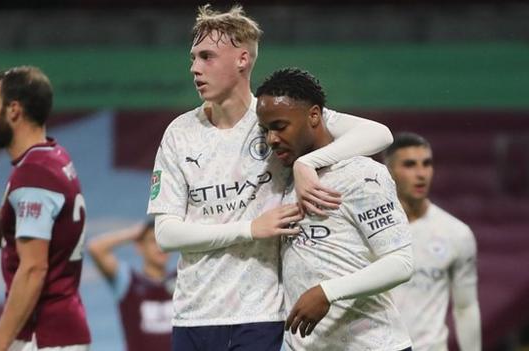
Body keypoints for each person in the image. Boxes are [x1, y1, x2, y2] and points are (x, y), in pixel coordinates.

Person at [148, 5, 394, 350]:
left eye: (207, 57)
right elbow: (167, 233)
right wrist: (249, 229)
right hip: (191, 314)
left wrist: (306, 165)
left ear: (242, 59)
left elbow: (379, 134)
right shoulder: (180, 132)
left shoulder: (275, 116)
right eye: (193, 58)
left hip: (260, 313)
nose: (194, 68)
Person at [255, 67, 414, 351]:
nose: (271, 139)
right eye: (266, 131)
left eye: (280, 127)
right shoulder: (286, 179)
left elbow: (400, 262)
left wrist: (328, 292)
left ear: (314, 116)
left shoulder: (363, 174)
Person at [0, 66, 90, 351]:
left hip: (44, 335)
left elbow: (33, 268)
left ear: (13, 110)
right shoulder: (53, 157)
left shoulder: (34, 175)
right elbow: (8, 240)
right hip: (57, 331)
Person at [384, 132, 481, 351]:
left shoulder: (457, 233)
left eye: (426, 164)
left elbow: (465, 307)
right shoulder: (369, 230)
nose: (421, 174)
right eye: (409, 165)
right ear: (389, 171)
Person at [88, 220, 175, 351]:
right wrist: (134, 233)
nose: (160, 247)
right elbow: (95, 248)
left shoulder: (182, 279)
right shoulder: (128, 281)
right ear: (139, 247)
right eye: (153, 241)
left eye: (163, 241)